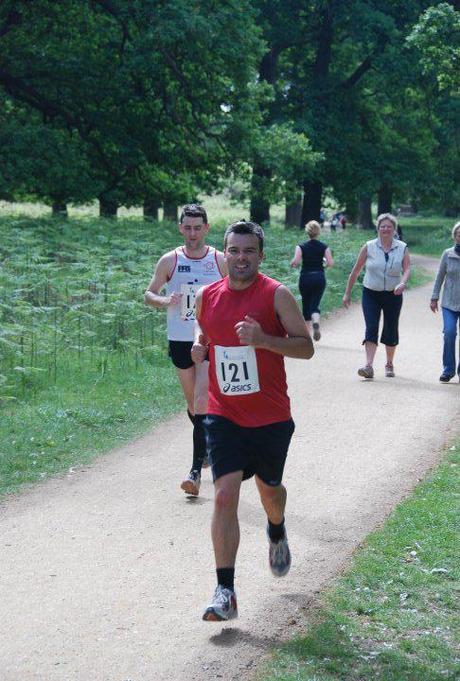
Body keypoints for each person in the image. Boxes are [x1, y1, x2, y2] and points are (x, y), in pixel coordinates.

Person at [192, 220, 314, 621]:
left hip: (270, 418)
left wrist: (263, 339)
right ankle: (225, 590)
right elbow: (205, 329)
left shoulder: (276, 295)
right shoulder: (207, 296)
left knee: (270, 491)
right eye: (233, 250)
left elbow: (306, 348)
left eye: (248, 251)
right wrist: (199, 343)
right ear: (223, 254)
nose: (240, 258)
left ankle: (276, 529)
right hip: (224, 414)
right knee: (225, 495)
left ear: (260, 256)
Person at [144, 204, 226, 496]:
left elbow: (238, 289)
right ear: (181, 228)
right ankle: (205, 440)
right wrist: (165, 301)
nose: (192, 233)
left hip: (208, 339)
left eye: (197, 227)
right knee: (193, 404)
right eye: (187, 228)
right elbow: (149, 293)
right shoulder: (170, 260)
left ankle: (195, 473)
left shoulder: (219, 260)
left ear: (206, 228)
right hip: (179, 338)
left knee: (202, 400)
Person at [342, 213, 410, 379]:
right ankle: (369, 366)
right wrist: (347, 293)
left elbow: (407, 268)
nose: (385, 229)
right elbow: (356, 270)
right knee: (371, 326)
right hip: (371, 293)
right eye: (382, 226)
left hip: (393, 294)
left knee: (390, 328)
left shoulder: (402, 247)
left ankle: (389, 363)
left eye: (389, 226)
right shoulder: (369, 246)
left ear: (394, 229)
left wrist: (403, 282)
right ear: (378, 228)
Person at [290, 220, 334, 340]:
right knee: (315, 304)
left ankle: (307, 336)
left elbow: (296, 261)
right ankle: (316, 322)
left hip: (305, 277)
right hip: (319, 276)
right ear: (318, 231)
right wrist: (323, 264)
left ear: (307, 231)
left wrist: (292, 263)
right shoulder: (324, 247)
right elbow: (330, 263)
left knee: (306, 304)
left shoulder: (301, 246)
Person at [430, 221, 460, 383]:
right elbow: (439, 277)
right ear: (454, 236)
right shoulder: (447, 254)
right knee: (449, 333)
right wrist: (434, 297)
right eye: (458, 233)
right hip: (449, 303)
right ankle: (448, 370)